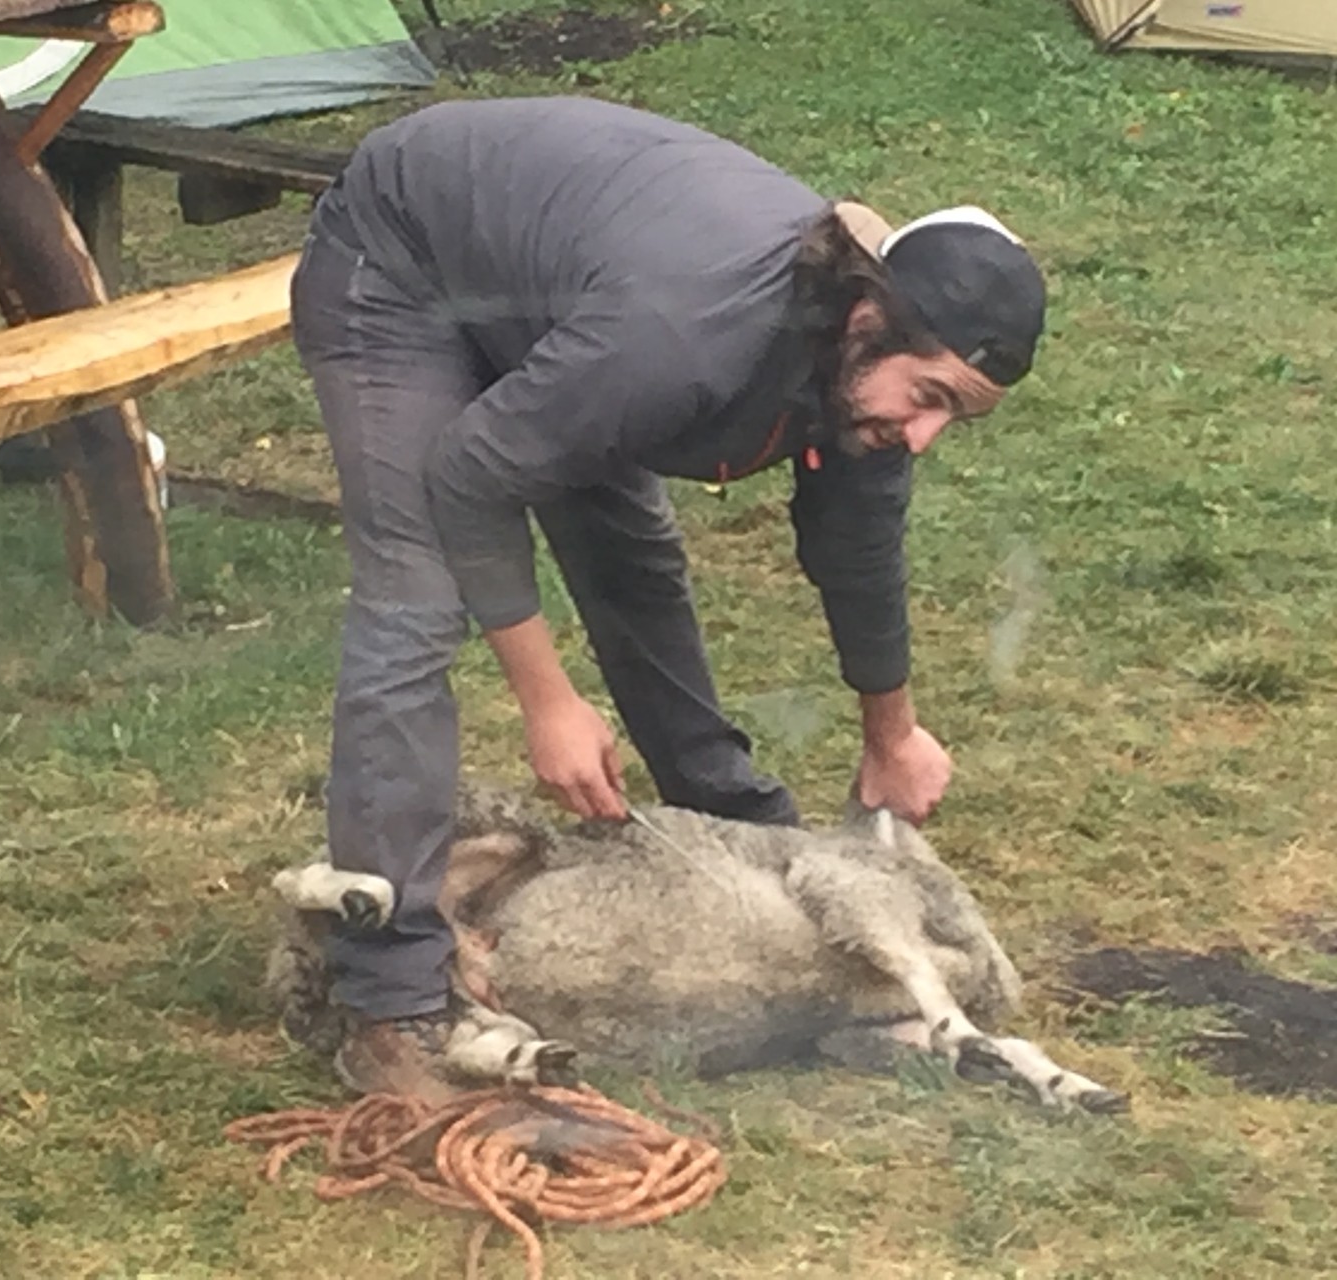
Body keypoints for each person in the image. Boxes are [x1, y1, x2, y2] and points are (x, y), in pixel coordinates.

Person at [289, 96, 1047, 1097]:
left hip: (563, 305)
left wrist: (889, 734)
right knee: (416, 597)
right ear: (868, 317)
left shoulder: (861, 373)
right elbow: (472, 476)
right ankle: (390, 1006)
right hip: (402, 258)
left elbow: (857, 543)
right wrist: (547, 700)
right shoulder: (687, 336)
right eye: (929, 395)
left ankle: (741, 847)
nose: (923, 434)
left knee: (631, 555)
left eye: (955, 414)